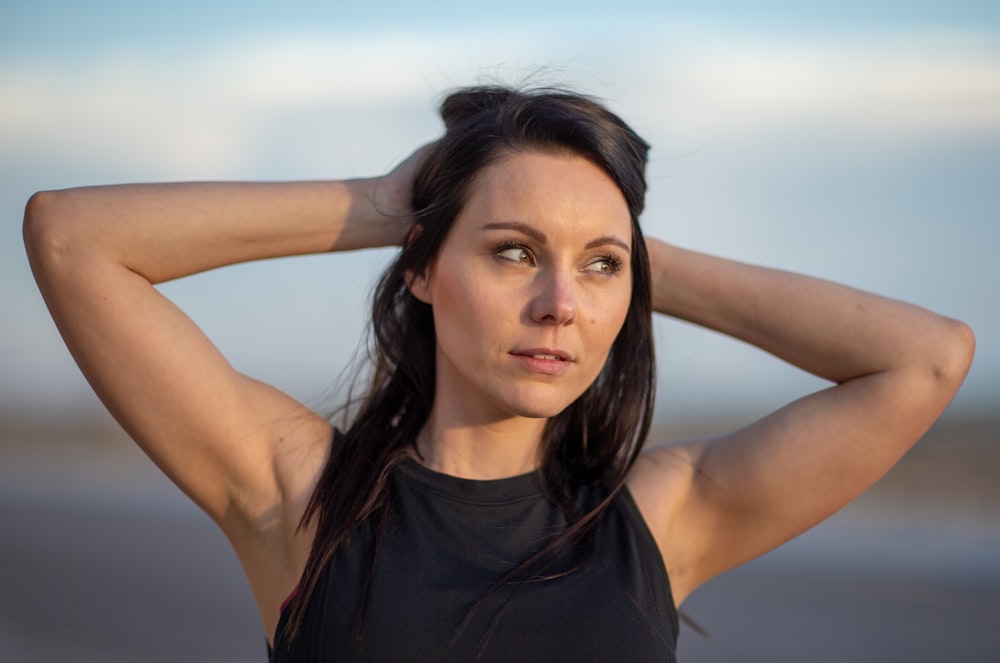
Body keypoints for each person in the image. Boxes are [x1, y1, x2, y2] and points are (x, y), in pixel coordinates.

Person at [23, 85, 974, 661]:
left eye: (599, 269)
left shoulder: (658, 518)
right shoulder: (303, 494)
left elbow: (925, 357)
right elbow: (72, 240)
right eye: (513, 253)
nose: (562, 302)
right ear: (426, 269)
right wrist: (387, 204)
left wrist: (619, 246)